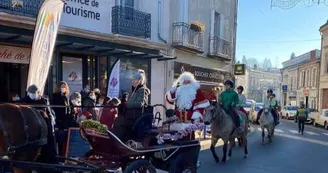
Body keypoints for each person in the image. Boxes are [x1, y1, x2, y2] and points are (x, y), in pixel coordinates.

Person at [165, 71, 210, 139]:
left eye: (188, 81)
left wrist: (196, 114)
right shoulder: (178, 87)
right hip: (178, 117)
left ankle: (189, 146)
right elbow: (170, 100)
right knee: (176, 135)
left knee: (189, 135)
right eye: (184, 81)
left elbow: (203, 104)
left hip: (189, 117)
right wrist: (172, 92)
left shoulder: (196, 90)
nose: (186, 83)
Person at [20, 84, 57, 164]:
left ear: (38, 92)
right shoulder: (24, 100)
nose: (33, 95)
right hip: (28, 123)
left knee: (50, 137)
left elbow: (49, 112)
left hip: (43, 121)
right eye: (31, 93)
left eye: (35, 93)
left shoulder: (43, 100)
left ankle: (51, 158)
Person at [51, 81, 71, 156]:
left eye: (65, 87)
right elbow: (55, 109)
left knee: (64, 140)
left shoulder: (66, 97)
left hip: (65, 121)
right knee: (58, 139)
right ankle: (59, 155)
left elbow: (68, 109)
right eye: (62, 87)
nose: (64, 88)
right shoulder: (55, 96)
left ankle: (63, 155)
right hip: (58, 121)